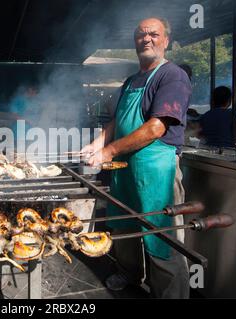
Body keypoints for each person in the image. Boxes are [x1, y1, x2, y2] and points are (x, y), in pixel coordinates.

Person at [82, 17, 191, 298]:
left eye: (153, 34)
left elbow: (156, 127)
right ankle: (129, 274)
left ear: (166, 40)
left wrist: (109, 151)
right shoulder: (132, 80)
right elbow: (117, 120)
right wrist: (96, 144)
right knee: (123, 226)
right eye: (141, 34)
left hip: (156, 170)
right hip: (125, 168)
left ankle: (170, 293)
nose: (146, 39)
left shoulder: (173, 75)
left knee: (161, 237)